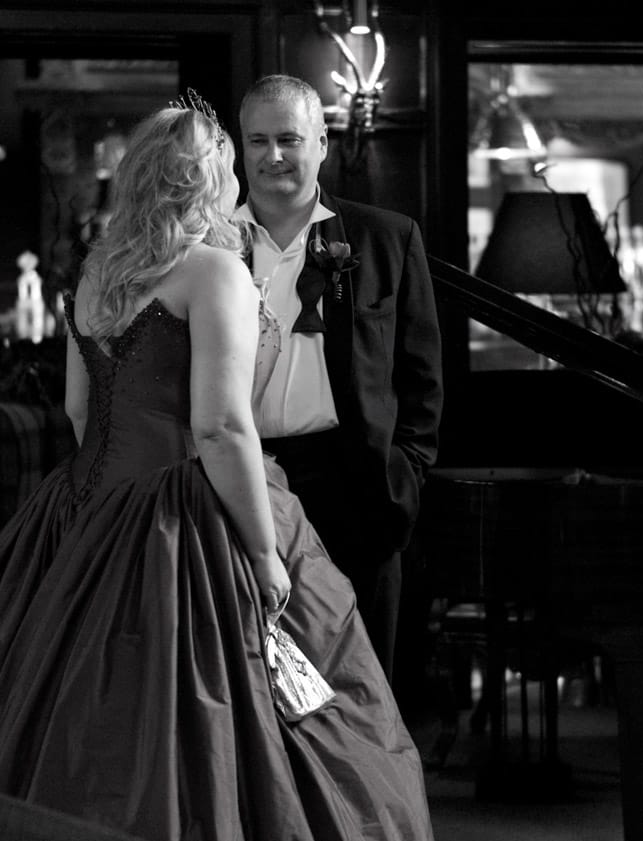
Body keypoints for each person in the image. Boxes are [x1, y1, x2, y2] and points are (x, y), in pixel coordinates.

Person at [0, 97, 434, 841]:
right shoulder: (214, 270)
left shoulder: (97, 275)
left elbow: (79, 412)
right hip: (181, 511)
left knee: (74, 710)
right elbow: (220, 427)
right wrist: (260, 551)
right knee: (234, 707)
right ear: (208, 178)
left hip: (82, 504)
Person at [234, 75, 443, 683]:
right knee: (257, 682)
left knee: (364, 682)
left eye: (289, 139)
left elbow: (423, 374)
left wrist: (405, 469)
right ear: (241, 150)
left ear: (322, 144)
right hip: (243, 482)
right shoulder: (208, 247)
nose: (273, 156)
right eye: (258, 141)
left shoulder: (386, 237)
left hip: (359, 485)